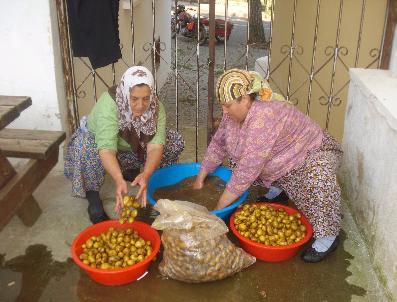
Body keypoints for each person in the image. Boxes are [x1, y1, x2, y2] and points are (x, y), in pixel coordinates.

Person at [193, 69, 343, 263]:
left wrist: (216, 211)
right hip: (279, 157)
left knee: (318, 180)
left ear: (245, 99)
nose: (224, 111)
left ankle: (328, 236)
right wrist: (199, 179)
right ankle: (277, 191)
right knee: (237, 159)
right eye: (222, 106)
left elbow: (247, 171)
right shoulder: (233, 116)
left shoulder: (264, 116)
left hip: (310, 153)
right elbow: (219, 144)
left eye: (228, 105)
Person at [64, 66, 184, 224]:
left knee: (173, 141)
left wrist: (147, 174)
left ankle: (142, 177)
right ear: (125, 93)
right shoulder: (110, 105)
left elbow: (155, 147)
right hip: (101, 147)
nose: (140, 105)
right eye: (134, 99)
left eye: (146, 98)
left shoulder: (156, 108)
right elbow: (106, 149)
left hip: (130, 148)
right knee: (85, 146)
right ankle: (93, 196)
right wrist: (118, 180)